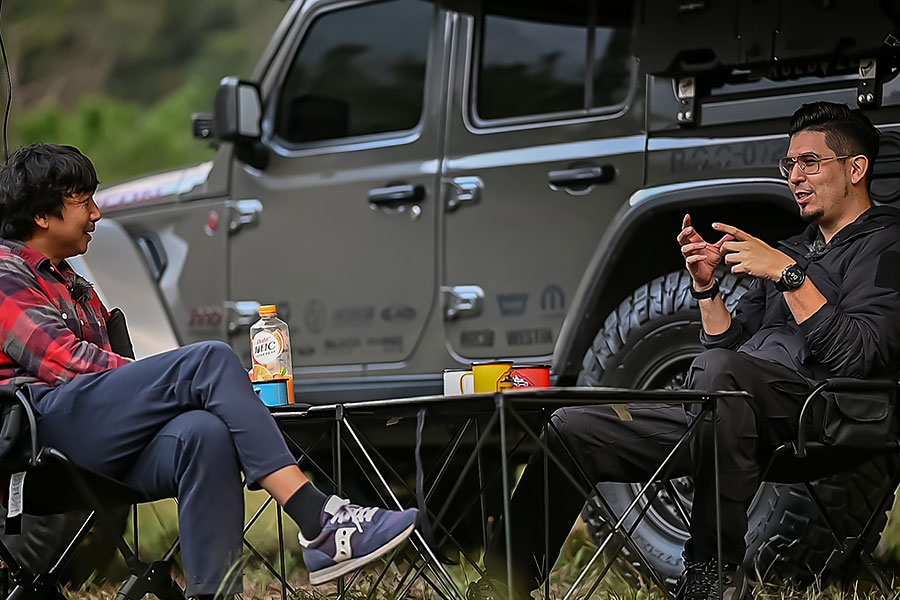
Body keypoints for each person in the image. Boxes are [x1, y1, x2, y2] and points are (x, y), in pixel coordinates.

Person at [467, 101, 900, 600]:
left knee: (721, 376)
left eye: (810, 163)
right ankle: (503, 583)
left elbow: (859, 355)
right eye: (790, 165)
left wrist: (787, 274)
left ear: (856, 168)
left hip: (823, 411)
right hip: (730, 414)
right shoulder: (792, 248)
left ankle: (710, 573)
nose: (795, 177)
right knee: (572, 426)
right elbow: (731, 348)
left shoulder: (886, 246)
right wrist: (707, 289)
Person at [0, 143, 418, 599]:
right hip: (38, 438)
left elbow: (111, 383)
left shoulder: (72, 281)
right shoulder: (6, 271)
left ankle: (214, 594)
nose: (97, 213)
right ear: (43, 214)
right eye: (84, 202)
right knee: (210, 362)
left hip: (87, 436)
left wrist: (173, 388)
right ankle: (319, 519)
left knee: (204, 434)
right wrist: (175, 381)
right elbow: (64, 361)